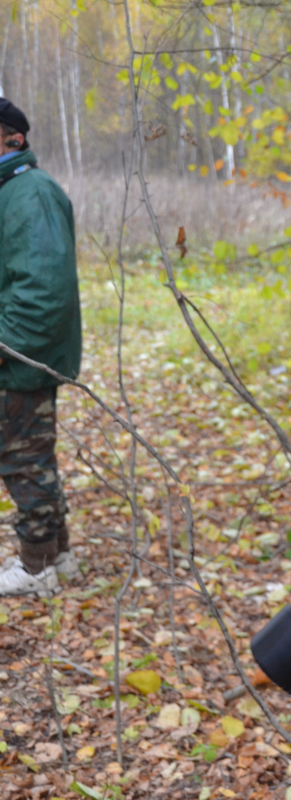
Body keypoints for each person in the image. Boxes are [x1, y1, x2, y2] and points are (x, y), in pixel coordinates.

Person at [0, 98, 82, 597]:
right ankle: (59, 556)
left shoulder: (31, 192)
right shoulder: (13, 190)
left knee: (22, 462)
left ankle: (37, 568)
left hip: (21, 360)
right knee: (31, 459)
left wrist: (5, 347)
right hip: (18, 358)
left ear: (13, 137)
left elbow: (43, 290)